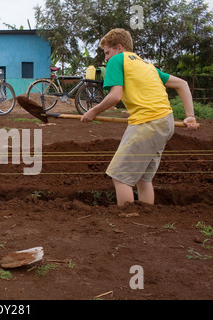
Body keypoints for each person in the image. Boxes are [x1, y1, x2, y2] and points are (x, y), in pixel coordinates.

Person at [81, 28, 198, 206]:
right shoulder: (146, 65)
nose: (106, 58)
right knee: (143, 178)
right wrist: (190, 116)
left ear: (119, 48)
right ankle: (144, 221)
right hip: (165, 122)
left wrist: (92, 112)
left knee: (120, 177)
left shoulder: (117, 60)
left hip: (147, 122)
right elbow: (182, 84)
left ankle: (127, 223)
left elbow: (115, 96)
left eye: (107, 52)